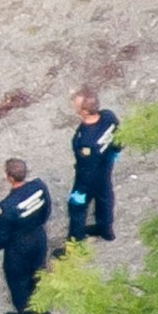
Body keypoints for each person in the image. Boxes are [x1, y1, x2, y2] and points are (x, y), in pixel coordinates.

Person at [54, 88, 121, 256]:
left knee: (77, 210)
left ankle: (75, 248)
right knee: (105, 196)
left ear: (84, 111)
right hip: (106, 166)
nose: (73, 107)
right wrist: (115, 154)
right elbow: (118, 138)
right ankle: (105, 229)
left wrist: (80, 191)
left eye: (76, 105)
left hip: (88, 177)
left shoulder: (85, 140)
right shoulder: (108, 117)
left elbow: (85, 168)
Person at [0, 158, 52, 314]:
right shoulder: (39, 187)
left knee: (18, 279)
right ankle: (41, 307)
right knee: (38, 271)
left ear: (10, 177)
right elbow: (47, 210)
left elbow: (3, 233)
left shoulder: (7, 206)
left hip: (19, 246)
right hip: (38, 236)